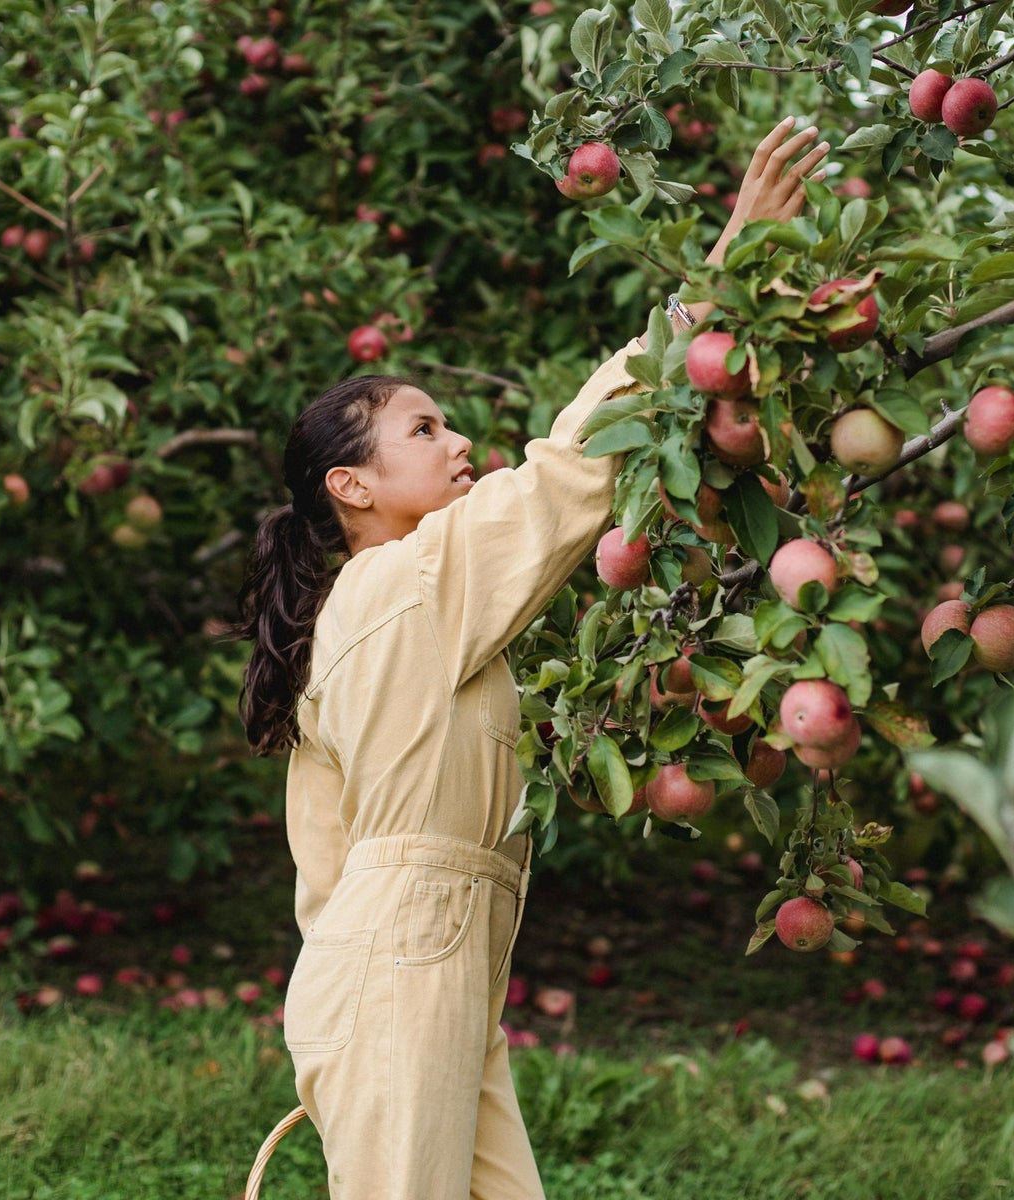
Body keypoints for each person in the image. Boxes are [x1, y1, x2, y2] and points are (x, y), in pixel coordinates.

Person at [231, 117, 831, 1200]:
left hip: (423, 968)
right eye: (423, 430)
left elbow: (324, 862)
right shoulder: (406, 582)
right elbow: (568, 473)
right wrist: (716, 283)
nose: (459, 442)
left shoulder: (385, 607)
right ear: (350, 487)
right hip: (404, 970)